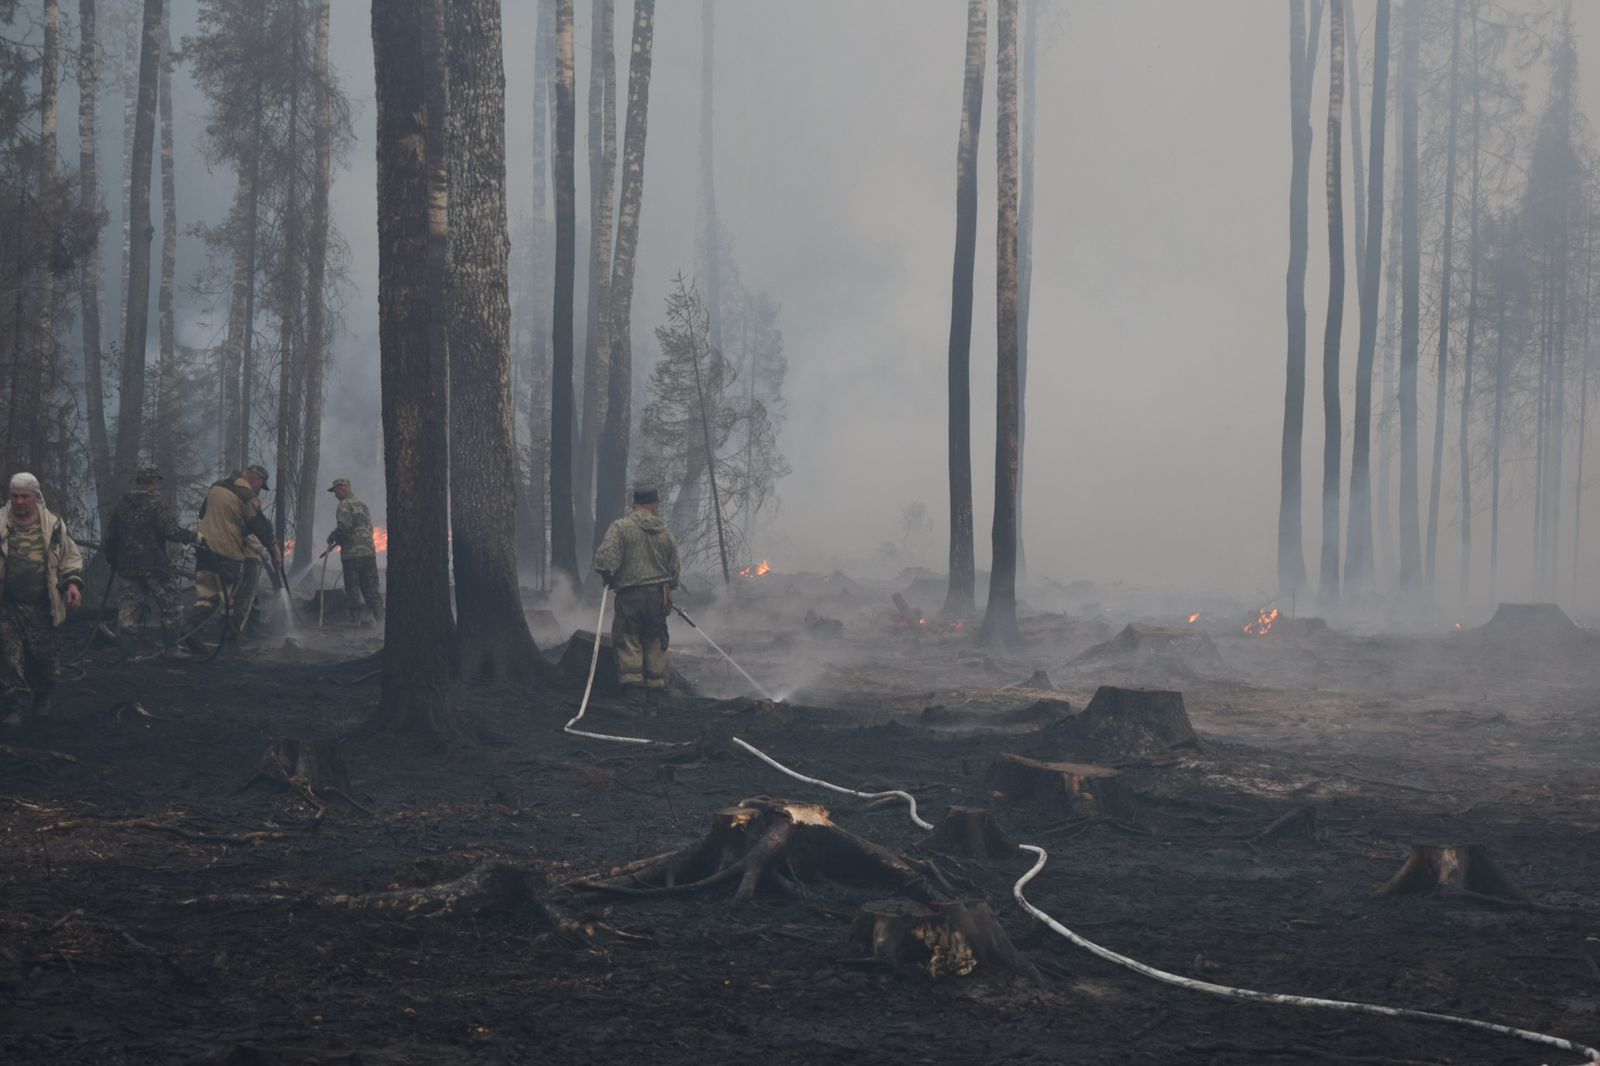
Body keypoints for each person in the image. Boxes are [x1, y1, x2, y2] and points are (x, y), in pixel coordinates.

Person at [0, 473, 84, 726]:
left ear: (36, 496)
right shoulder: (1, 523)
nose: (20, 501)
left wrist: (72, 584)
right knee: (9, 656)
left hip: (42, 604)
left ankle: (42, 696)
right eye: (15, 496)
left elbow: (70, 556)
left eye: (25, 496)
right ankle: (14, 706)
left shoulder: (53, 525)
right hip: (7, 604)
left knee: (42, 657)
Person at [592, 485, 681, 704]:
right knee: (654, 640)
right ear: (653, 505)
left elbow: (605, 558)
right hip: (659, 596)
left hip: (630, 595)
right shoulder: (666, 533)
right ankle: (655, 694)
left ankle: (634, 693)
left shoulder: (621, 528)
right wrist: (669, 588)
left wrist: (607, 576)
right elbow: (675, 571)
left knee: (628, 639)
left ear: (635, 504)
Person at [100, 465, 196, 656]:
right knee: (172, 606)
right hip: (155, 567)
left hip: (128, 568)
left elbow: (111, 536)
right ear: (152, 483)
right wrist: (194, 537)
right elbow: (171, 531)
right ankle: (172, 650)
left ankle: (125, 655)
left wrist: (114, 561)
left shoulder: (122, 504)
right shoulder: (156, 504)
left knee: (128, 612)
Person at [185, 464, 279, 647]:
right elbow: (261, 528)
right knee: (234, 594)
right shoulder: (248, 497)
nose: (259, 490)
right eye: (261, 485)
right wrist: (274, 552)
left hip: (204, 546)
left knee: (207, 593)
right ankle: (229, 636)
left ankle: (193, 631)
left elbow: (203, 513)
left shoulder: (217, 487)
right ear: (256, 479)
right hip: (227, 551)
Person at [324, 478, 383, 626]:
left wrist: (333, 537)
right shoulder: (362, 504)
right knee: (372, 590)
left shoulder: (344, 505)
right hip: (368, 553)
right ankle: (381, 624)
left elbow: (344, 528)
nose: (335, 495)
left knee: (353, 589)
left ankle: (356, 622)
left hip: (352, 555)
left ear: (343, 487)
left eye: (336, 491)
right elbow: (365, 528)